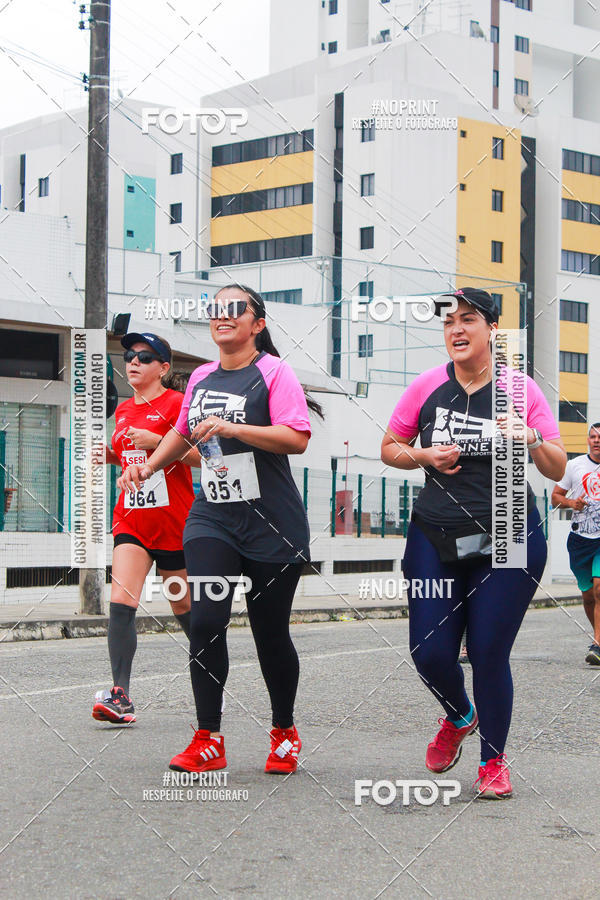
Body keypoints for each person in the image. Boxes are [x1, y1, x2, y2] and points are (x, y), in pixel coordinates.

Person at [119, 285, 321, 773]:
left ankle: (284, 730)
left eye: (235, 308)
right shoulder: (202, 376)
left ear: (257, 324)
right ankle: (207, 737)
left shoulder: (274, 372)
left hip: (272, 523)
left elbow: (296, 438)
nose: (222, 315)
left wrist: (233, 429)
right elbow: (181, 432)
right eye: (215, 309)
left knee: (270, 634)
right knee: (207, 621)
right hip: (213, 517)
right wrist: (149, 466)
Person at [381, 288, 566, 799]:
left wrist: (531, 438)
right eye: (448, 323)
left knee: (487, 651)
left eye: (467, 320)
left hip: (508, 526)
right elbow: (390, 448)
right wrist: (424, 456)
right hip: (435, 529)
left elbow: (557, 466)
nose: (456, 330)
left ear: (491, 329)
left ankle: (493, 761)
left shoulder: (520, 388)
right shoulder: (425, 386)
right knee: (428, 651)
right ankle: (460, 713)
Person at [92, 333, 199, 724]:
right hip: (131, 520)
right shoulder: (122, 411)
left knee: (182, 607)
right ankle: (120, 696)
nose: (133, 361)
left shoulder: (177, 404)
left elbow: (205, 458)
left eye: (144, 357)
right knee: (121, 601)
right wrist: (107, 456)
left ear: (163, 368)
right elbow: (128, 458)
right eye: (129, 356)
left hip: (173, 523)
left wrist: (158, 440)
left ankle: (210, 679)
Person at [551, 422, 600, 665]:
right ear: (588, 440)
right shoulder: (574, 465)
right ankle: (598, 636)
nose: (597, 440)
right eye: (593, 437)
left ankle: (598, 645)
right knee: (588, 595)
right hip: (580, 540)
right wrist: (572, 504)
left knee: (599, 589)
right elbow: (555, 497)